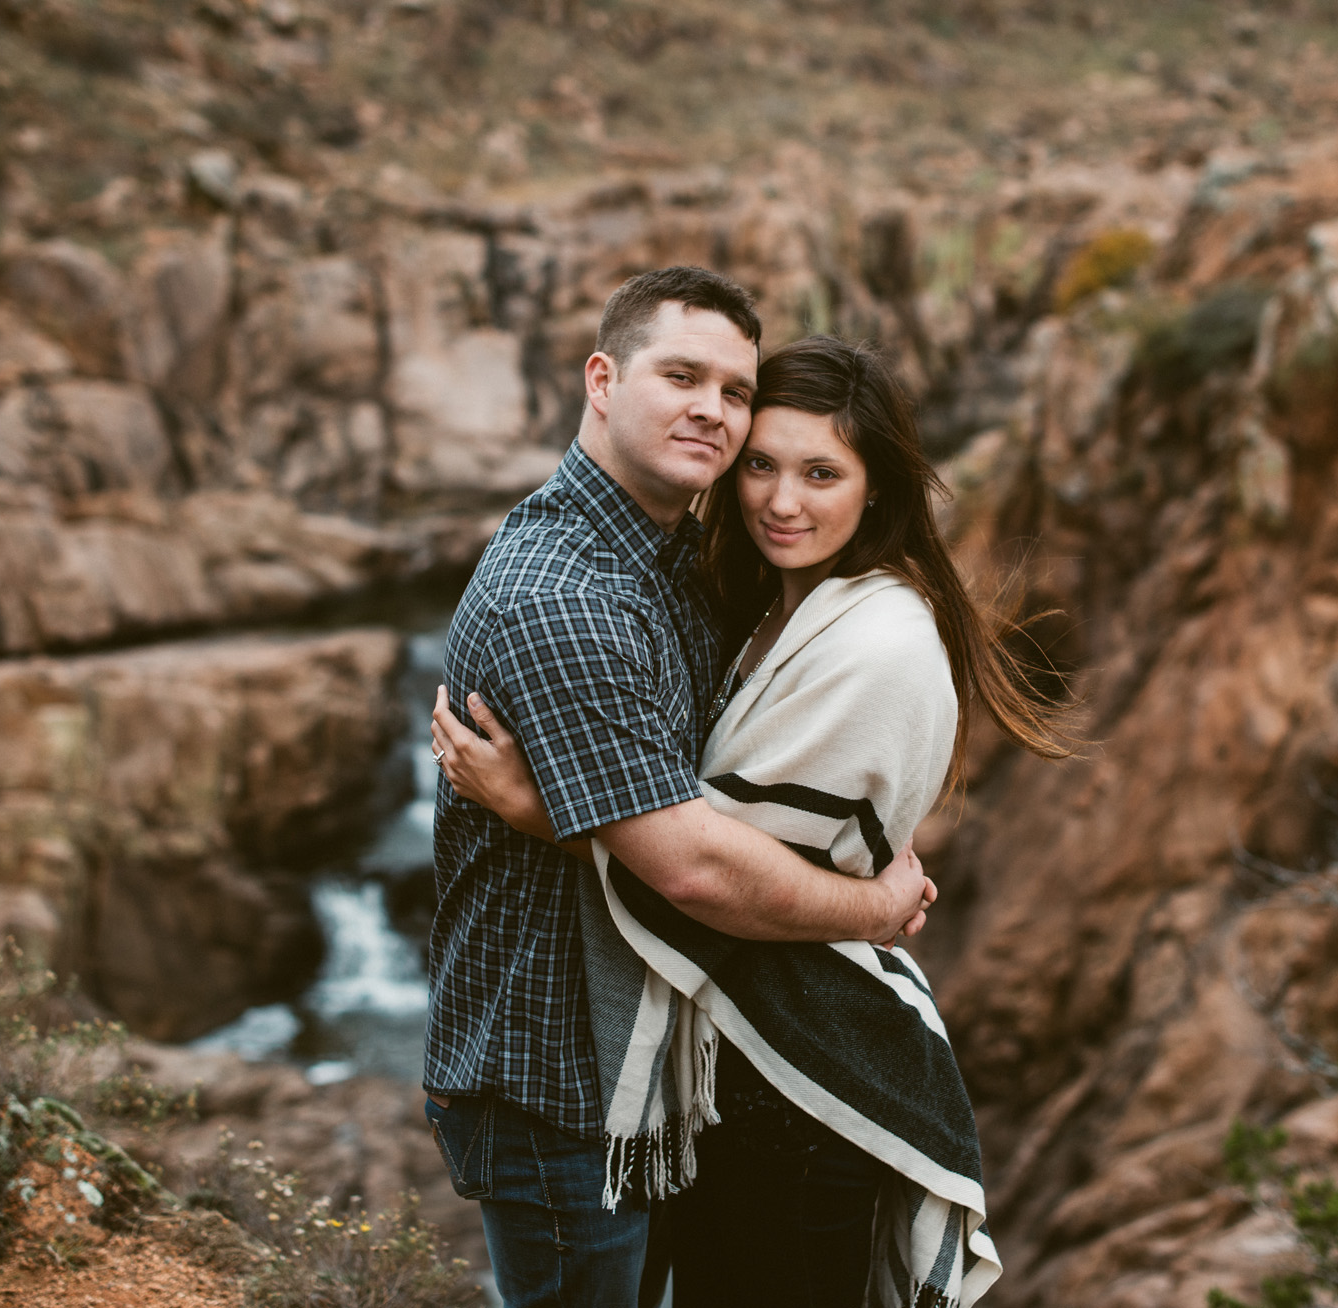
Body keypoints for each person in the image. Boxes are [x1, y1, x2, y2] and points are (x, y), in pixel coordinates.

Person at [434, 333, 1072, 1307]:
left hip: (803, 1081)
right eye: (762, 465)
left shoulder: (879, 642)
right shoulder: (765, 602)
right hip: (738, 1074)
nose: (781, 500)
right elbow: (705, 831)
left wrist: (543, 807)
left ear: (876, 487)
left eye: (821, 473)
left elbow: (702, 871)